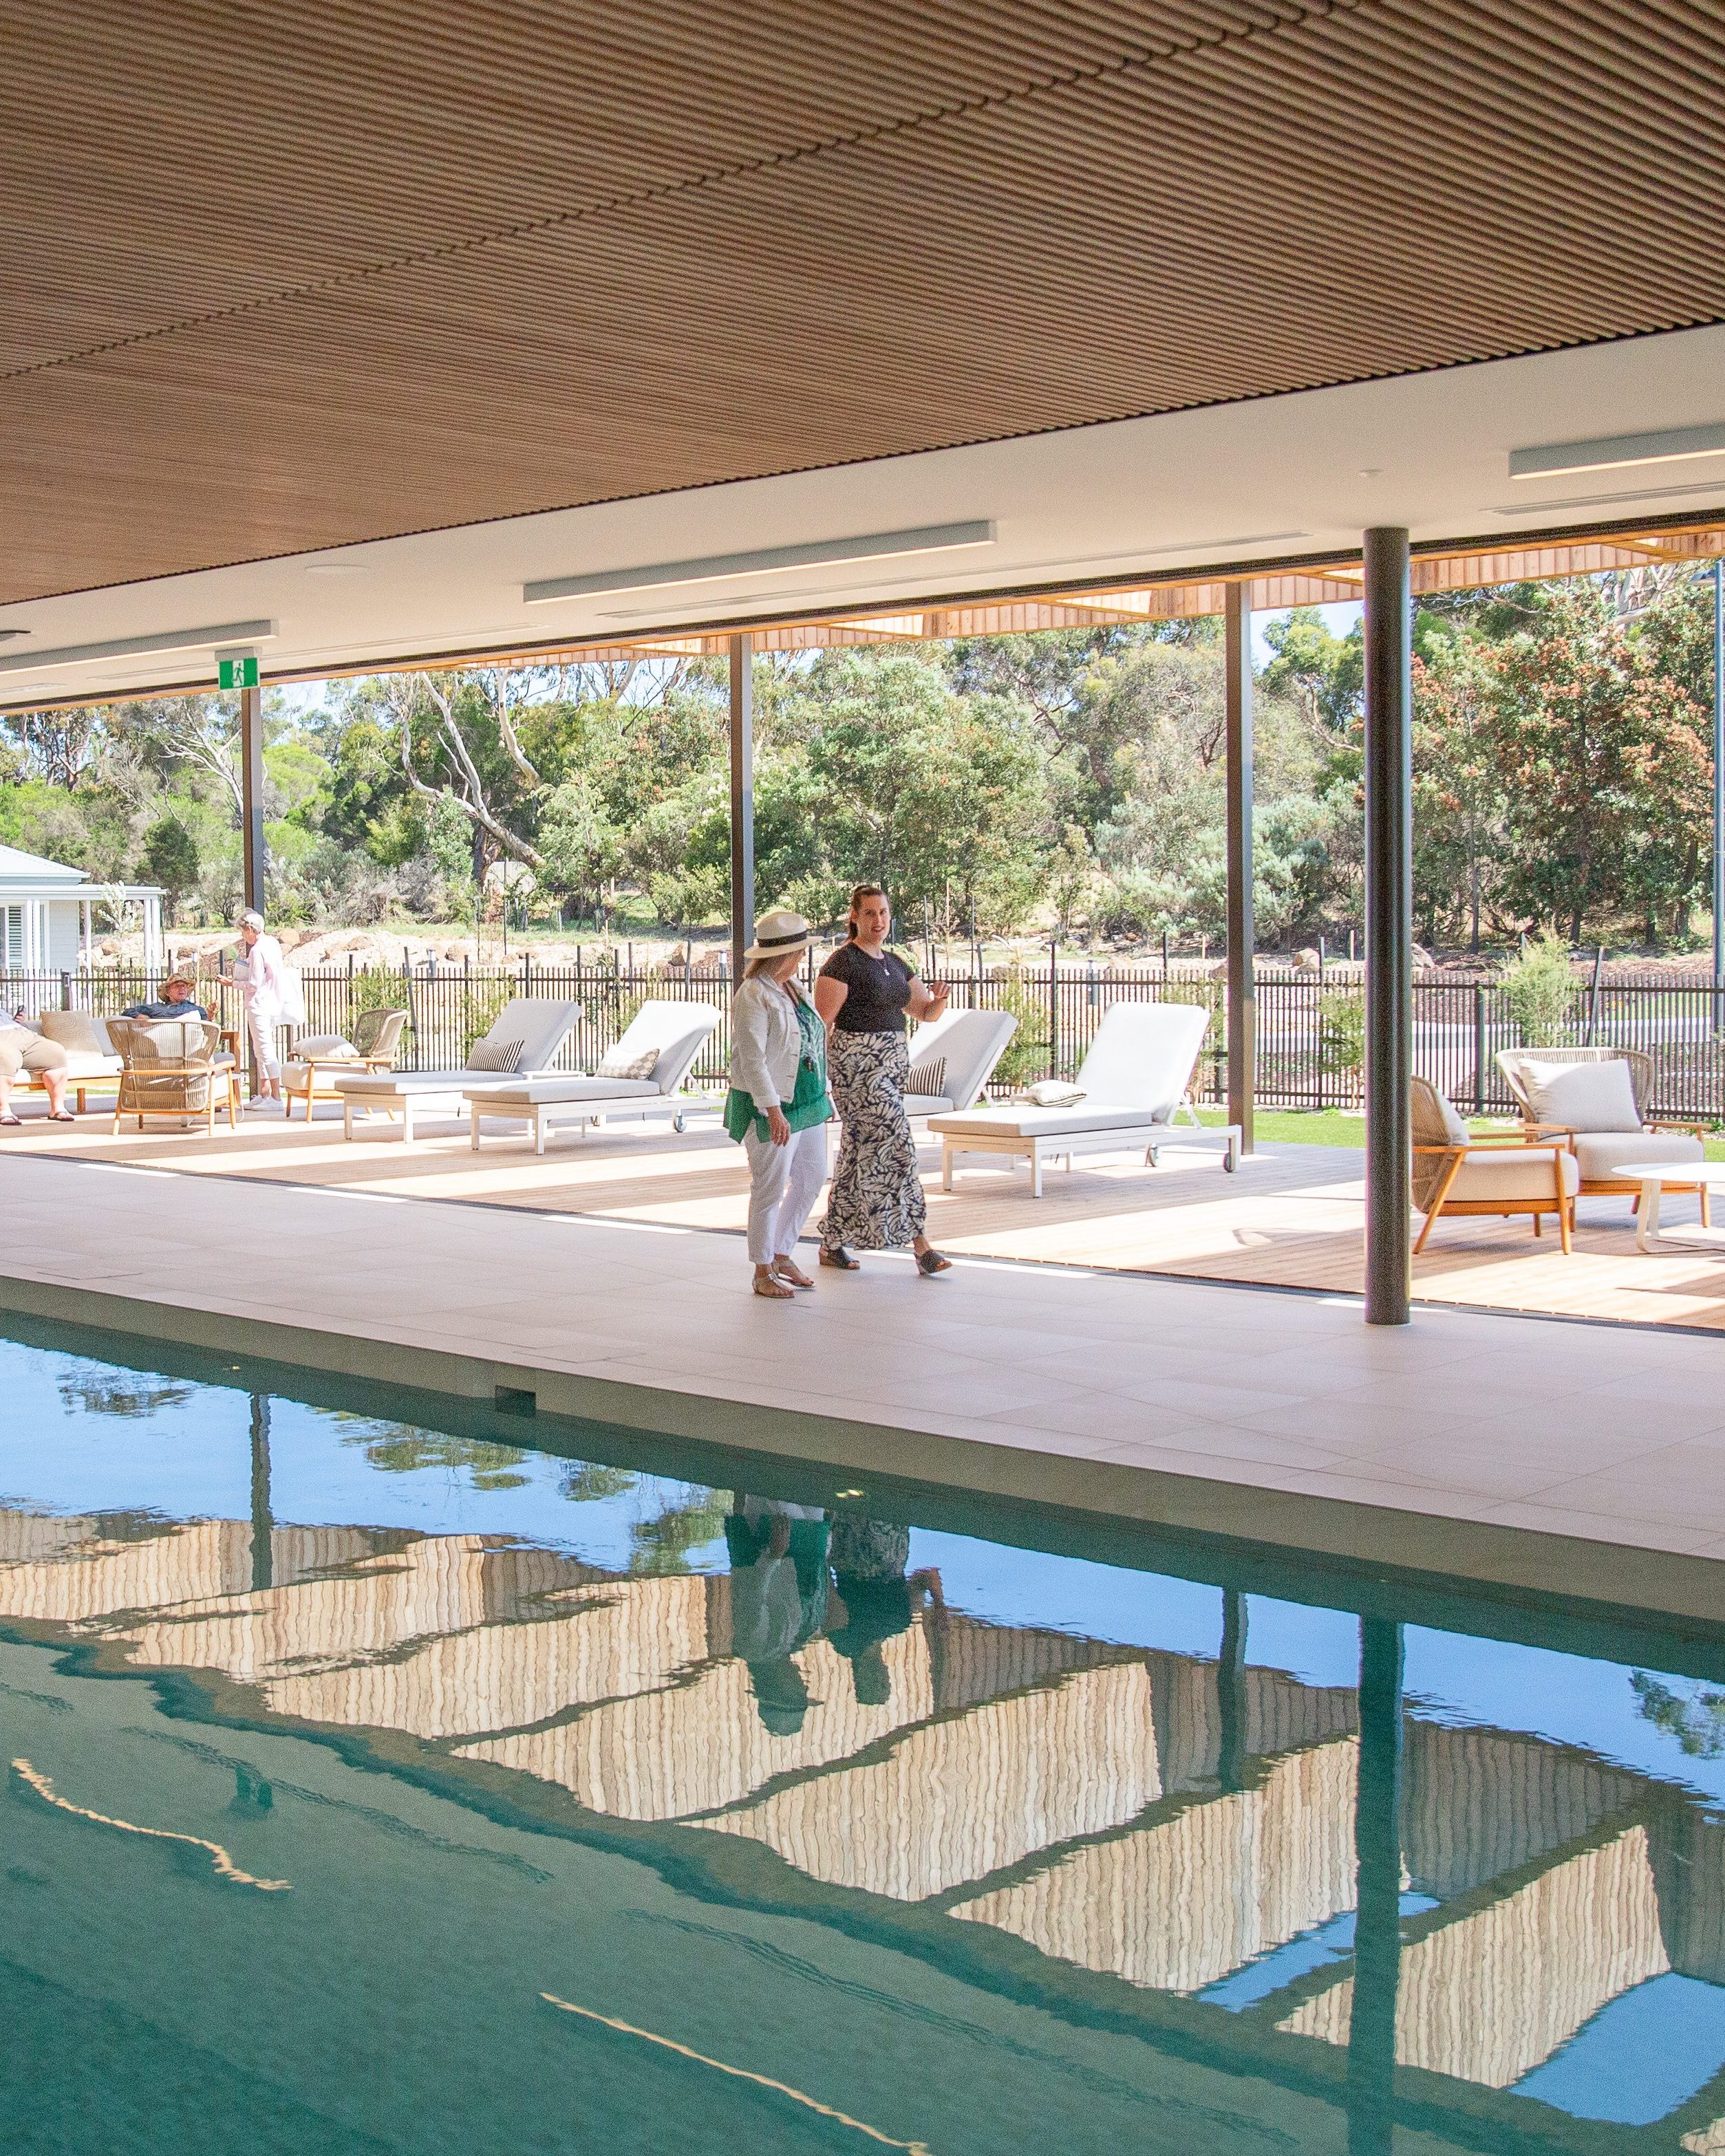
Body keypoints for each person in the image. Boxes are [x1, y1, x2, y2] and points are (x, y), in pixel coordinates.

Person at [813, 884, 952, 1275]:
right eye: (870, 913)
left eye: (884, 913)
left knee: (858, 1152)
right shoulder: (841, 963)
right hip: (856, 1066)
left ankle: (833, 1241)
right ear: (854, 916)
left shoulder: (896, 963)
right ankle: (920, 1243)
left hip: (891, 1064)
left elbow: (924, 1012)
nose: (878, 921)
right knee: (899, 1144)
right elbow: (822, 1023)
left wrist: (939, 998)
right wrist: (817, 1076)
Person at [725, 909, 833, 1300]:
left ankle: (782, 1251)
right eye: (798, 951)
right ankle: (762, 1269)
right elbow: (751, 1060)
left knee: (812, 1177)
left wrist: (826, 1092)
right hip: (772, 1105)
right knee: (769, 1188)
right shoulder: (753, 994)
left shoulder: (795, 987)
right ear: (782, 955)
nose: (802, 958)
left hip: (809, 1100)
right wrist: (772, 1111)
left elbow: (810, 1041)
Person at [229, 910, 287, 1107]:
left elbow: (254, 983)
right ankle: (265, 1094)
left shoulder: (257, 950)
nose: (243, 936)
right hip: (272, 1002)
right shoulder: (272, 944)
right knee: (260, 1049)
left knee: (265, 1050)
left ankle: (276, 1097)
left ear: (251, 929)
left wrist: (232, 983)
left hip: (259, 1004)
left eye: (243, 931)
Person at [0, 1015, 72, 1125]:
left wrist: (18, 1022)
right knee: (5, 1058)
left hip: (24, 1034)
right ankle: (3, 1111)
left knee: (56, 1052)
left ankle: (57, 1109)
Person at [120, 971, 210, 1022]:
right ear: (167, 992)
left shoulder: (195, 1010)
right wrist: (139, 1016)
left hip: (186, 1049)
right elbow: (128, 1011)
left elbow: (207, 1026)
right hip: (160, 1049)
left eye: (184, 986)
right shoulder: (156, 1008)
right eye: (177, 986)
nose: (182, 989)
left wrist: (211, 1015)